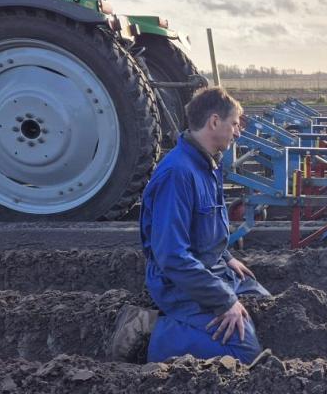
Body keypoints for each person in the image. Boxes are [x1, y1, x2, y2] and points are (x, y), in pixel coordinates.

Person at [108, 87, 270, 364]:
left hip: (212, 268)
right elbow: (172, 257)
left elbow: (205, 223)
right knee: (244, 350)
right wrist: (224, 300)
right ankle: (148, 331)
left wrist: (227, 257)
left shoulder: (207, 165)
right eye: (234, 123)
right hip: (179, 283)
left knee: (264, 302)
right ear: (214, 122)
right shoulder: (177, 175)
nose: (238, 132)